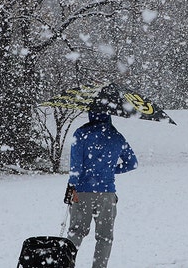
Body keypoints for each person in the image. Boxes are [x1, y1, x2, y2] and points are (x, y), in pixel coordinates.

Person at [63, 111, 138, 268]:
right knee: (105, 237)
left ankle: (65, 264)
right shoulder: (116, 136)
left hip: (82, 192)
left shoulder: (81, 133)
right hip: (107, 194)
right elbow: (132, 163)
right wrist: (110, 170)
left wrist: (71, 186)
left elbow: (76, 166)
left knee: (76, 232)